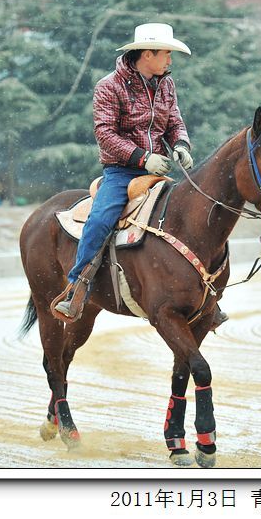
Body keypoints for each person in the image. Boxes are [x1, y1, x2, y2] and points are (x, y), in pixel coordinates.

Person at [54, 23, 195, 317]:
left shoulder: (166, 84)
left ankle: (202, 294)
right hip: (121, 172)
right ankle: (77, 288)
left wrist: (181, 144)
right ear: (147, 54)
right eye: (166, 54)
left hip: (157, 171)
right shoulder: (109, 86)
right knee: (100, 220)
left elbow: (175, 123)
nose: (170, 60)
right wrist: (143, 158)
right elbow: (105, 134)